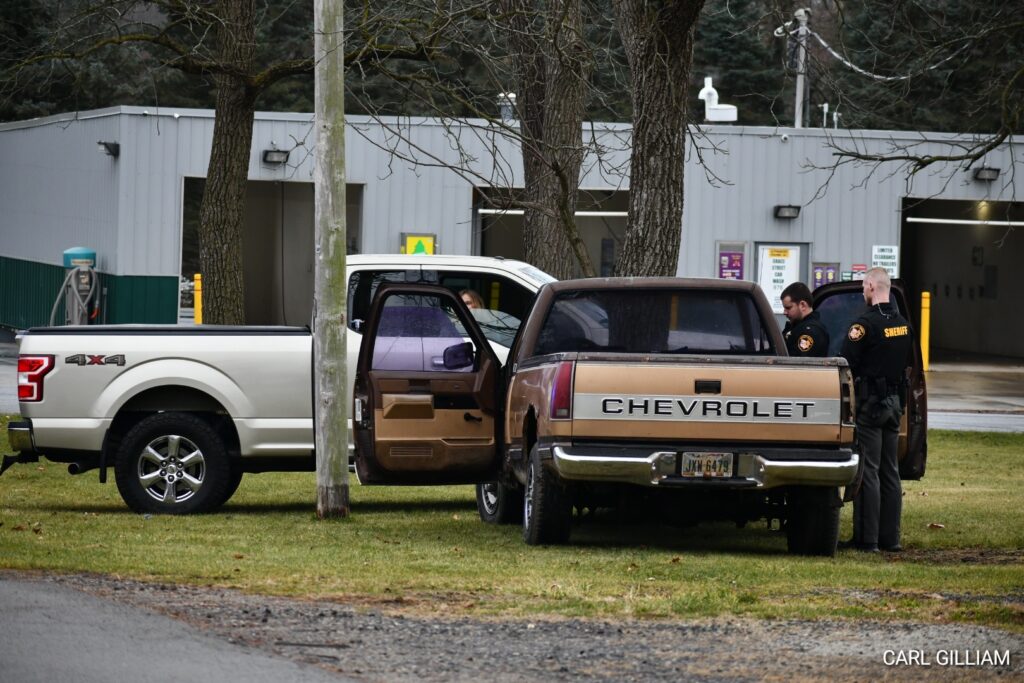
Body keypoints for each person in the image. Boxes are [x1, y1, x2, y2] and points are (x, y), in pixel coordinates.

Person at [840, 268, 912, 553]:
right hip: (895, 404)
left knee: (868, 470)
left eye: (863, 287)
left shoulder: (863, 325)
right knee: (890, 471)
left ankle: (867, 539)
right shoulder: (903, 324)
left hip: (870, 406)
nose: (862, 292)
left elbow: (846, 361)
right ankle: (890, 539)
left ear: (871, 285)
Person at [780, 282, 830, 357]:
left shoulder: (810, 332)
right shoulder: (796, 327)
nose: (784, 312)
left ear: (803, 305)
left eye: (788, 308)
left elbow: (798, 364)